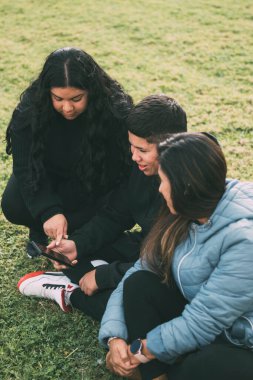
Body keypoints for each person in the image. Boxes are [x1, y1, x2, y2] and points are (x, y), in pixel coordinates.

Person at [17, 95, 187, 321]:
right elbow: (116, 214)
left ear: (171, 145)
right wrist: (77, 245)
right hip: (145, 248)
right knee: (79, 251)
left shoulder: (193, 183)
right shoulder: (142, 168)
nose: (134, 157)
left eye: (142, 150)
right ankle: (86, 273)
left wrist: (105, 276)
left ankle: (71, 293)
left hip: (171, 270)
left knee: (138, 310)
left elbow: (170, 264)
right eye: (131, 147)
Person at [99, 132, 253, 380]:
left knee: (205, 365)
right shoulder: (190, 212)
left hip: (243, 341)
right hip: (210, 326)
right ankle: (157, 375)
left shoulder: (244, 241)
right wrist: (115, 337)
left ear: (185, 186)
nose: (159, 190)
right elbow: (140, 269)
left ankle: (157, 370)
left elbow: (203, 321)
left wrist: (139, 350)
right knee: (140, 285)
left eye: (163, 181)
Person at [1, 47, 133, 256]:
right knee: (13, 204)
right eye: (58, 99)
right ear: (47, 92)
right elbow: (25, 167)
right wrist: (49, 212)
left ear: (92, 91)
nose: (67, 108)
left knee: (96, 211)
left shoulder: (114, 110)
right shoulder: (30, 110)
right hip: (49, 177)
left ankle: (81, 236)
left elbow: (120, 171)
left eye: (76, 98)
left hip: (94, 181)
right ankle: (39, 228)